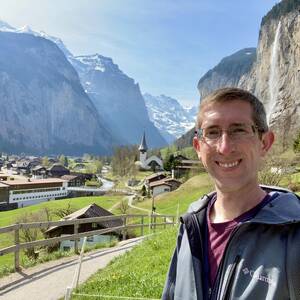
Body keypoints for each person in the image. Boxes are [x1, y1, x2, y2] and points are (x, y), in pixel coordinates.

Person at [162, 87, 300, 300]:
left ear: (265, 142)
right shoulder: (190, 226)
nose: (225, 147)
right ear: (198, 147)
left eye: (238, 130)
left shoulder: (294, 235)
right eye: (213, 132)